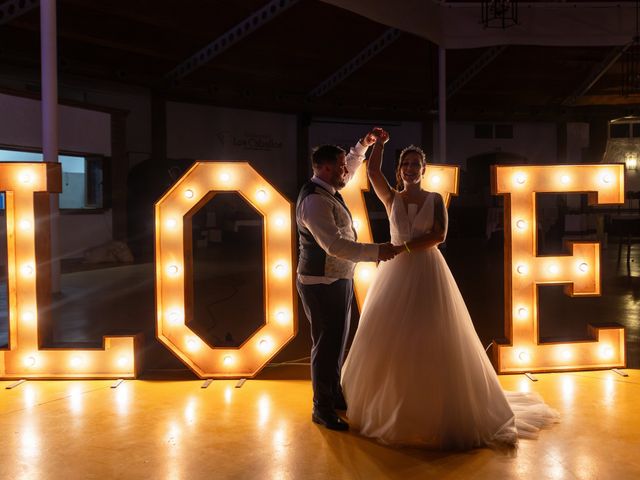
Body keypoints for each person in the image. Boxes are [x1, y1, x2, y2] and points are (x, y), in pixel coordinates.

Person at [341, 130, 558, 449]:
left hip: (426, 268)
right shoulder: (391, 198)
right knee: (391, 334)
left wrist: (403, 249)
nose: (411, 168)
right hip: (393, 274)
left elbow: (439, 236)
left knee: (431, 332)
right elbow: (372, 172)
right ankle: (393, 402)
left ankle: (433, 403)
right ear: (400, 169)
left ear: (423, 169)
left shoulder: (435, 199)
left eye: (416, 164)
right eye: (406, 164)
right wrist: (380, 146)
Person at [296, 132, 398, 432]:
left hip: (337, 278)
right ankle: (322, 408)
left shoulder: (327, 185)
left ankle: (334, 395)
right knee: (326, 347)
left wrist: (363, 145)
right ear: (324, 169)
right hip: (321, 282)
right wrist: (377, 251)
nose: (346, 171)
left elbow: (352, 167)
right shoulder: (314, 202)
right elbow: (335, 246)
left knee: (336, 343)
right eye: (340, 167)